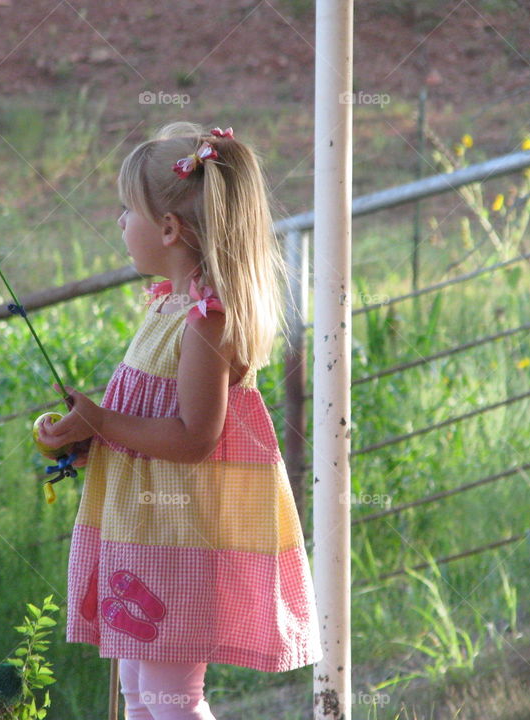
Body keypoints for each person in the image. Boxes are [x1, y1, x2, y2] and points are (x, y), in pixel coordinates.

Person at [37, 122, 322, 720]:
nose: (118, 222)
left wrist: (105, 422)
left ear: (168, 228)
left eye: (126, 210)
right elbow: (146, 420)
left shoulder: (204, 322)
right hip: (142, 529)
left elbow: (194, 437)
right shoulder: (167, 305)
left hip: (179, 536)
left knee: (172, 700)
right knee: (142, 694)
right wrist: (89, 435)